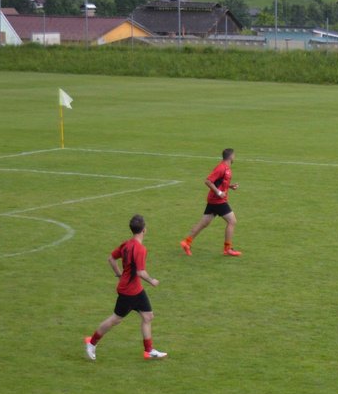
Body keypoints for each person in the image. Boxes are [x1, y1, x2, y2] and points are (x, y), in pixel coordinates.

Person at [85, 214, 165, 360]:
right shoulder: (140, 249)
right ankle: (91, 343)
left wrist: (119, 274)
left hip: (136, 289)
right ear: (144, 230)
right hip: (128, 292)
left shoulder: (126, 245)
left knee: (148, 316)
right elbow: (140, 272)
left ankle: (149, 350)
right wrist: (152, 281)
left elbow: (111, 259)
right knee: (115, 319)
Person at [181, 148, 241, 257]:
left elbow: (221, 182)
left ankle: (186, 242)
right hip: (218, 201)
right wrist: (218, 192)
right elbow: (208, 181)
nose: (235, 157)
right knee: (232, 221)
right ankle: (227, 249)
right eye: (234, 155)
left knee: (204, 223)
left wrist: (230, 186)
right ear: (231, 156)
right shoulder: (221, 167)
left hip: (214, 200)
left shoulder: (226, 168)